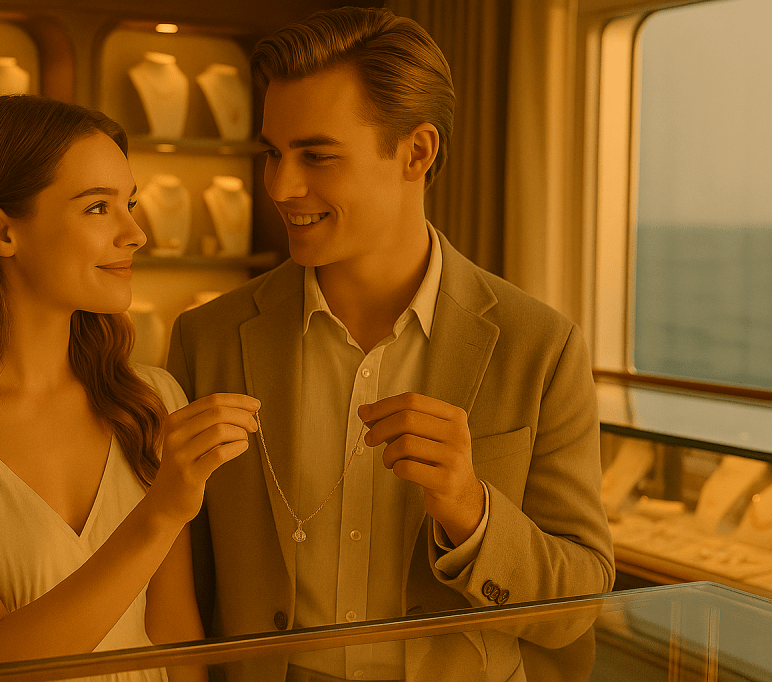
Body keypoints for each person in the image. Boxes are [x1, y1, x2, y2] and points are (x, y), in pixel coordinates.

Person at [165, 7, 615, 681]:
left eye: (317, 155)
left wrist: (470, 508)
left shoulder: (541, 347)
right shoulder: (207, 339)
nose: (281, 186)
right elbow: (180, 588)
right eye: (273, 154)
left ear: (417, 152)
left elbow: (576, 607)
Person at [0, 95, 259, 681]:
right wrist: (161, 511)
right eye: (97, 207)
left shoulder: (152, 399)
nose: (135, 234)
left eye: (130, 204)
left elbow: (173, 635)